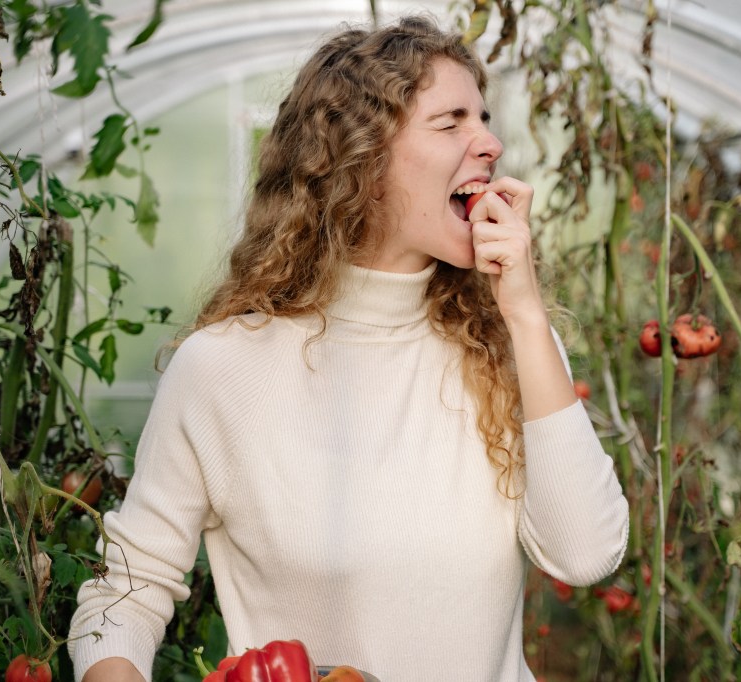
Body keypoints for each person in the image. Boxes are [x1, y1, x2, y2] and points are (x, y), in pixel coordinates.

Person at [69, 15, 629, 682]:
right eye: (451, 123)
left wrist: (528, 316)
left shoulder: (510, 346)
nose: (490, 143)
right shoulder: (223, 369)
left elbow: (585, 555)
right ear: (362, 157)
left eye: (482, 118)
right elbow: (124, 593)